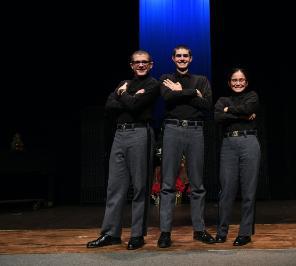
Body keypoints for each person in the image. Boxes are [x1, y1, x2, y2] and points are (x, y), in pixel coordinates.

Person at [86, 50, 159, 250]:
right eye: (137, 62)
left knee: (140, 187)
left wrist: (124, 96)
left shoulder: (153, 85)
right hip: (120, 135)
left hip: (140, 134)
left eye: (145, 62)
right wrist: (130, 98)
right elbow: (109, 106)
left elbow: (136, 107)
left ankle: (137, 235)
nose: (141, 65)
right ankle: (111, 233)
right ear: (131, 65)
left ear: (151, 65)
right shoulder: (122, 83)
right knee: (114, 188)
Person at [157, 44, 215, 248]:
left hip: (195, 130)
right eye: (178, 56)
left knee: (197, 184)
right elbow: (167, 97)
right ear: (173, 58)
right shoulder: (166, 78)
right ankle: (165, 232)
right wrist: (193, 94)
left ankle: (199, 230)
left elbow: (207, 105)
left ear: (191, 59)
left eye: (185, 56)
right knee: (168, 185)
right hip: (172, 130)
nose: (182, 59)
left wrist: (182, 91)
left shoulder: (201, 80)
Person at [214, 68, 260, 246]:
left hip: (249, 142)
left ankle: (245, 232)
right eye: (234, 80)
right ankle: (222, 231)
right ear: (229, 83)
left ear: (246, 82)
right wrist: (242, 114)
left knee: (249, 190)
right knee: (226, 190)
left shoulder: (252, 96)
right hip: (229, 145)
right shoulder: (222, 100)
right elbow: (218, 117)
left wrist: (229, 111)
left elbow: (249, 107)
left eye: (241, 80)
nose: (238, 83)